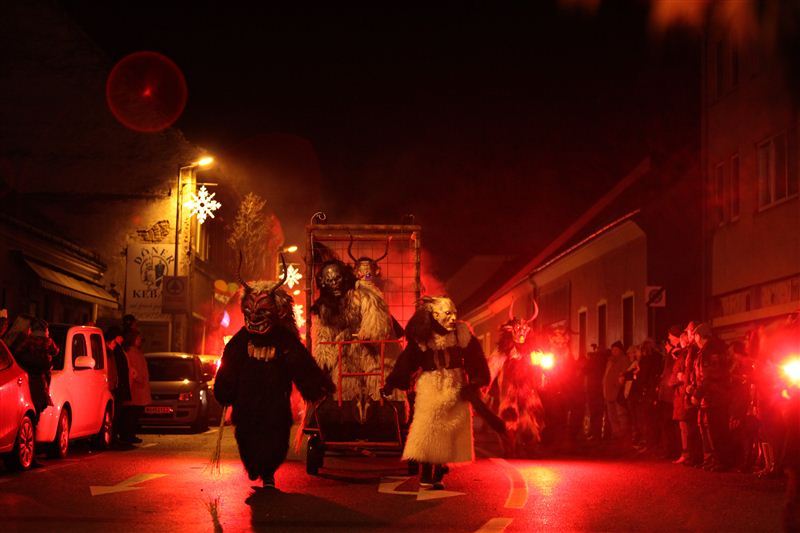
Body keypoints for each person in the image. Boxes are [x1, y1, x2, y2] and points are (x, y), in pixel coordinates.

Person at [214, 257, 334, 489]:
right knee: (247, 436)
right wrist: (225, 390)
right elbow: (229, 366)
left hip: (275, 403)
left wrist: (315, 386)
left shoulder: (284, 340)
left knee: (275, 437)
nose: (255, 318)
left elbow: (301, 364)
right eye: (250, 312)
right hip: (246, 404)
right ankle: (253, 466)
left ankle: (268, 472)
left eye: (262, 312)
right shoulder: (240, 341)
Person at [382, 296, 491, 490]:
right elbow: (407, 361)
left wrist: (476, 380)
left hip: (456, 384)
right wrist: (392, 383)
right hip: (431, 385)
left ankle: (439, 469)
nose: (453, 318)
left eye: (454, 313)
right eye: (448, 314)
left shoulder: (462, 333)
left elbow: (475, 358)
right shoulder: (423, 336)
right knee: (428, 427)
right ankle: (426, 471)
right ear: (435, 314)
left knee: (450, 429)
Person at [691, 322, 731, 471]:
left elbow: (708, 376)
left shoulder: (709, 351)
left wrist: (697, 393)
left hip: (715, 396)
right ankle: (716, 459)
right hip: (713, 396)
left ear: (700, 336)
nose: (694, 339)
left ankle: (722, 461)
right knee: (713, 430)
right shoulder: (709, 350)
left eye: (695, 335)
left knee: (718, 430)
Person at [15, 319, 58, 420]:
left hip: (29, 373)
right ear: (45, 330)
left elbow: (17, 353)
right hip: (42, 374)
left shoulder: (28, 341)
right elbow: (56, 351)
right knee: (41, 397)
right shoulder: (48, 341)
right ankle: (37, 415)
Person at [119, 330, 151, 444]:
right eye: (137, 338)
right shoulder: (132, 353)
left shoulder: (135, 352)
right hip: (136, 387)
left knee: (133, 413)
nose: (139, 340)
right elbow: (134, 370)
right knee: (132, 413)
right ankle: (128, 435)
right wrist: (139, 378)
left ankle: (129, 435)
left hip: (138, 387)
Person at [105, 326, 131, 444]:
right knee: (115, 413)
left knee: (117, 412)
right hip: (114, 386)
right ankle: (113, 437)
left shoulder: (116, 351)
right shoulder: (113, 352)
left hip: (117, 385)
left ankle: (115, 437)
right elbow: (114, 370)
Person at [602, 341, 630, 444]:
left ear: (620, 350)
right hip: (608, 393)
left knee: (621, 415)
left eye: (616, 349)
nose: (614, 351)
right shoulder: (610, 361)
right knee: (612, 416)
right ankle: (616, 434)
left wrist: (618, 385)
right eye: (612, 349)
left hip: (618, 393)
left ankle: (623, 436)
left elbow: (624, 375)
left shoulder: (624, 360)